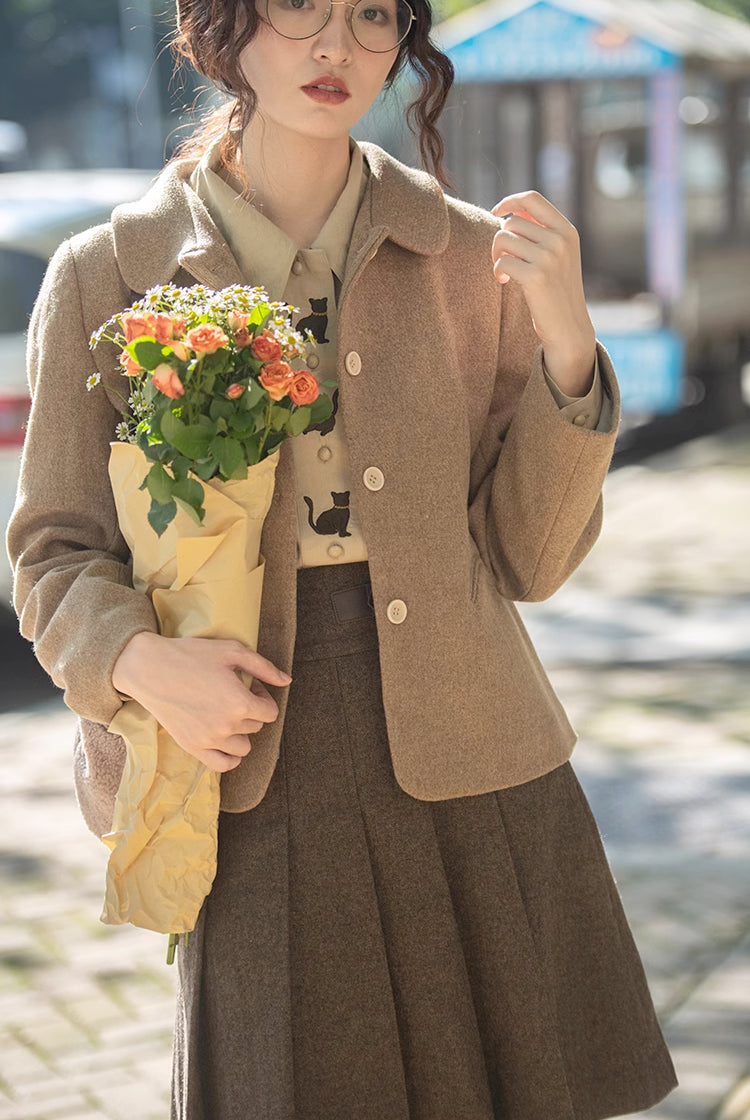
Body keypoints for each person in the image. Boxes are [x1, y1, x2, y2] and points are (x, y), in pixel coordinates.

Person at [7, 0, 679, 1116]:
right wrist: (138, 665)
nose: (337, 49)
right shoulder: (106, 271)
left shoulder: (468, 257)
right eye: (298, 9)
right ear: (221, 29)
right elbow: (51, 550)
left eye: (372, 15)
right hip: (246, 755)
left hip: (474, 751)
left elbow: (529, 556)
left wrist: (569, 345)